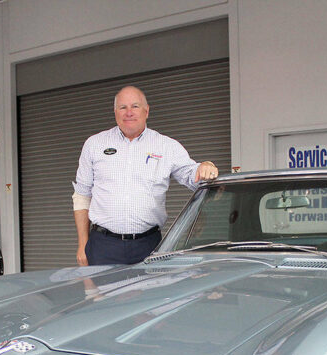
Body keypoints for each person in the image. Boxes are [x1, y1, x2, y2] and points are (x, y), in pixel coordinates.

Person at [72, 85, 218, 265]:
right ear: (115, 112)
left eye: (135, 106)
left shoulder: (166, 146)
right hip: (103, 246)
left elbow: (192, 176)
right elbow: (82, 195)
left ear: (146, 111)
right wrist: (82, 245)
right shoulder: (94, 144)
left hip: (148, 246)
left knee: (150, 294)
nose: (129, 112)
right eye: (122, 107)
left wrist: (206, 166)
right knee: (101, 294)